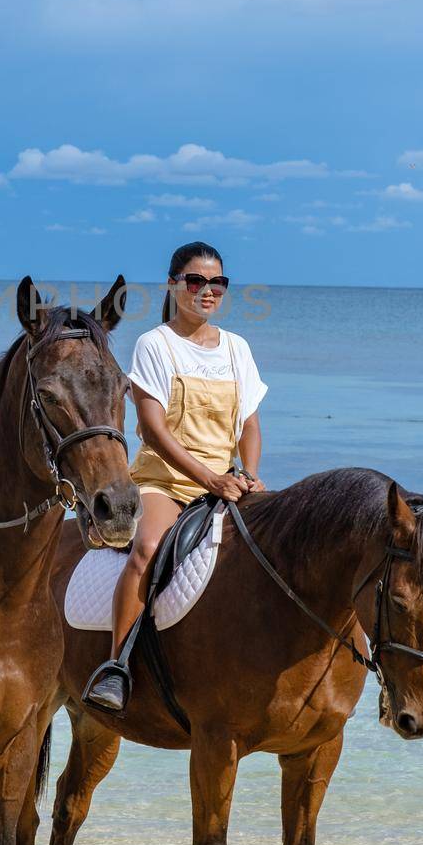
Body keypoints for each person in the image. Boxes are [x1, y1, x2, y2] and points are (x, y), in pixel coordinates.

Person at [83, 240, 267, 714]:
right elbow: (152, 429)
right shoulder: (155, 344)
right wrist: (209, 479)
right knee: (145, 550)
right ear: (174, 285)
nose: (207, 291)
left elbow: (249, 422)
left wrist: (249, 473)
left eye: (217, 284)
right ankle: (116, 667)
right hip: (164, 479)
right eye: (196, 281)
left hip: (225, 481)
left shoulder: (237, 349)